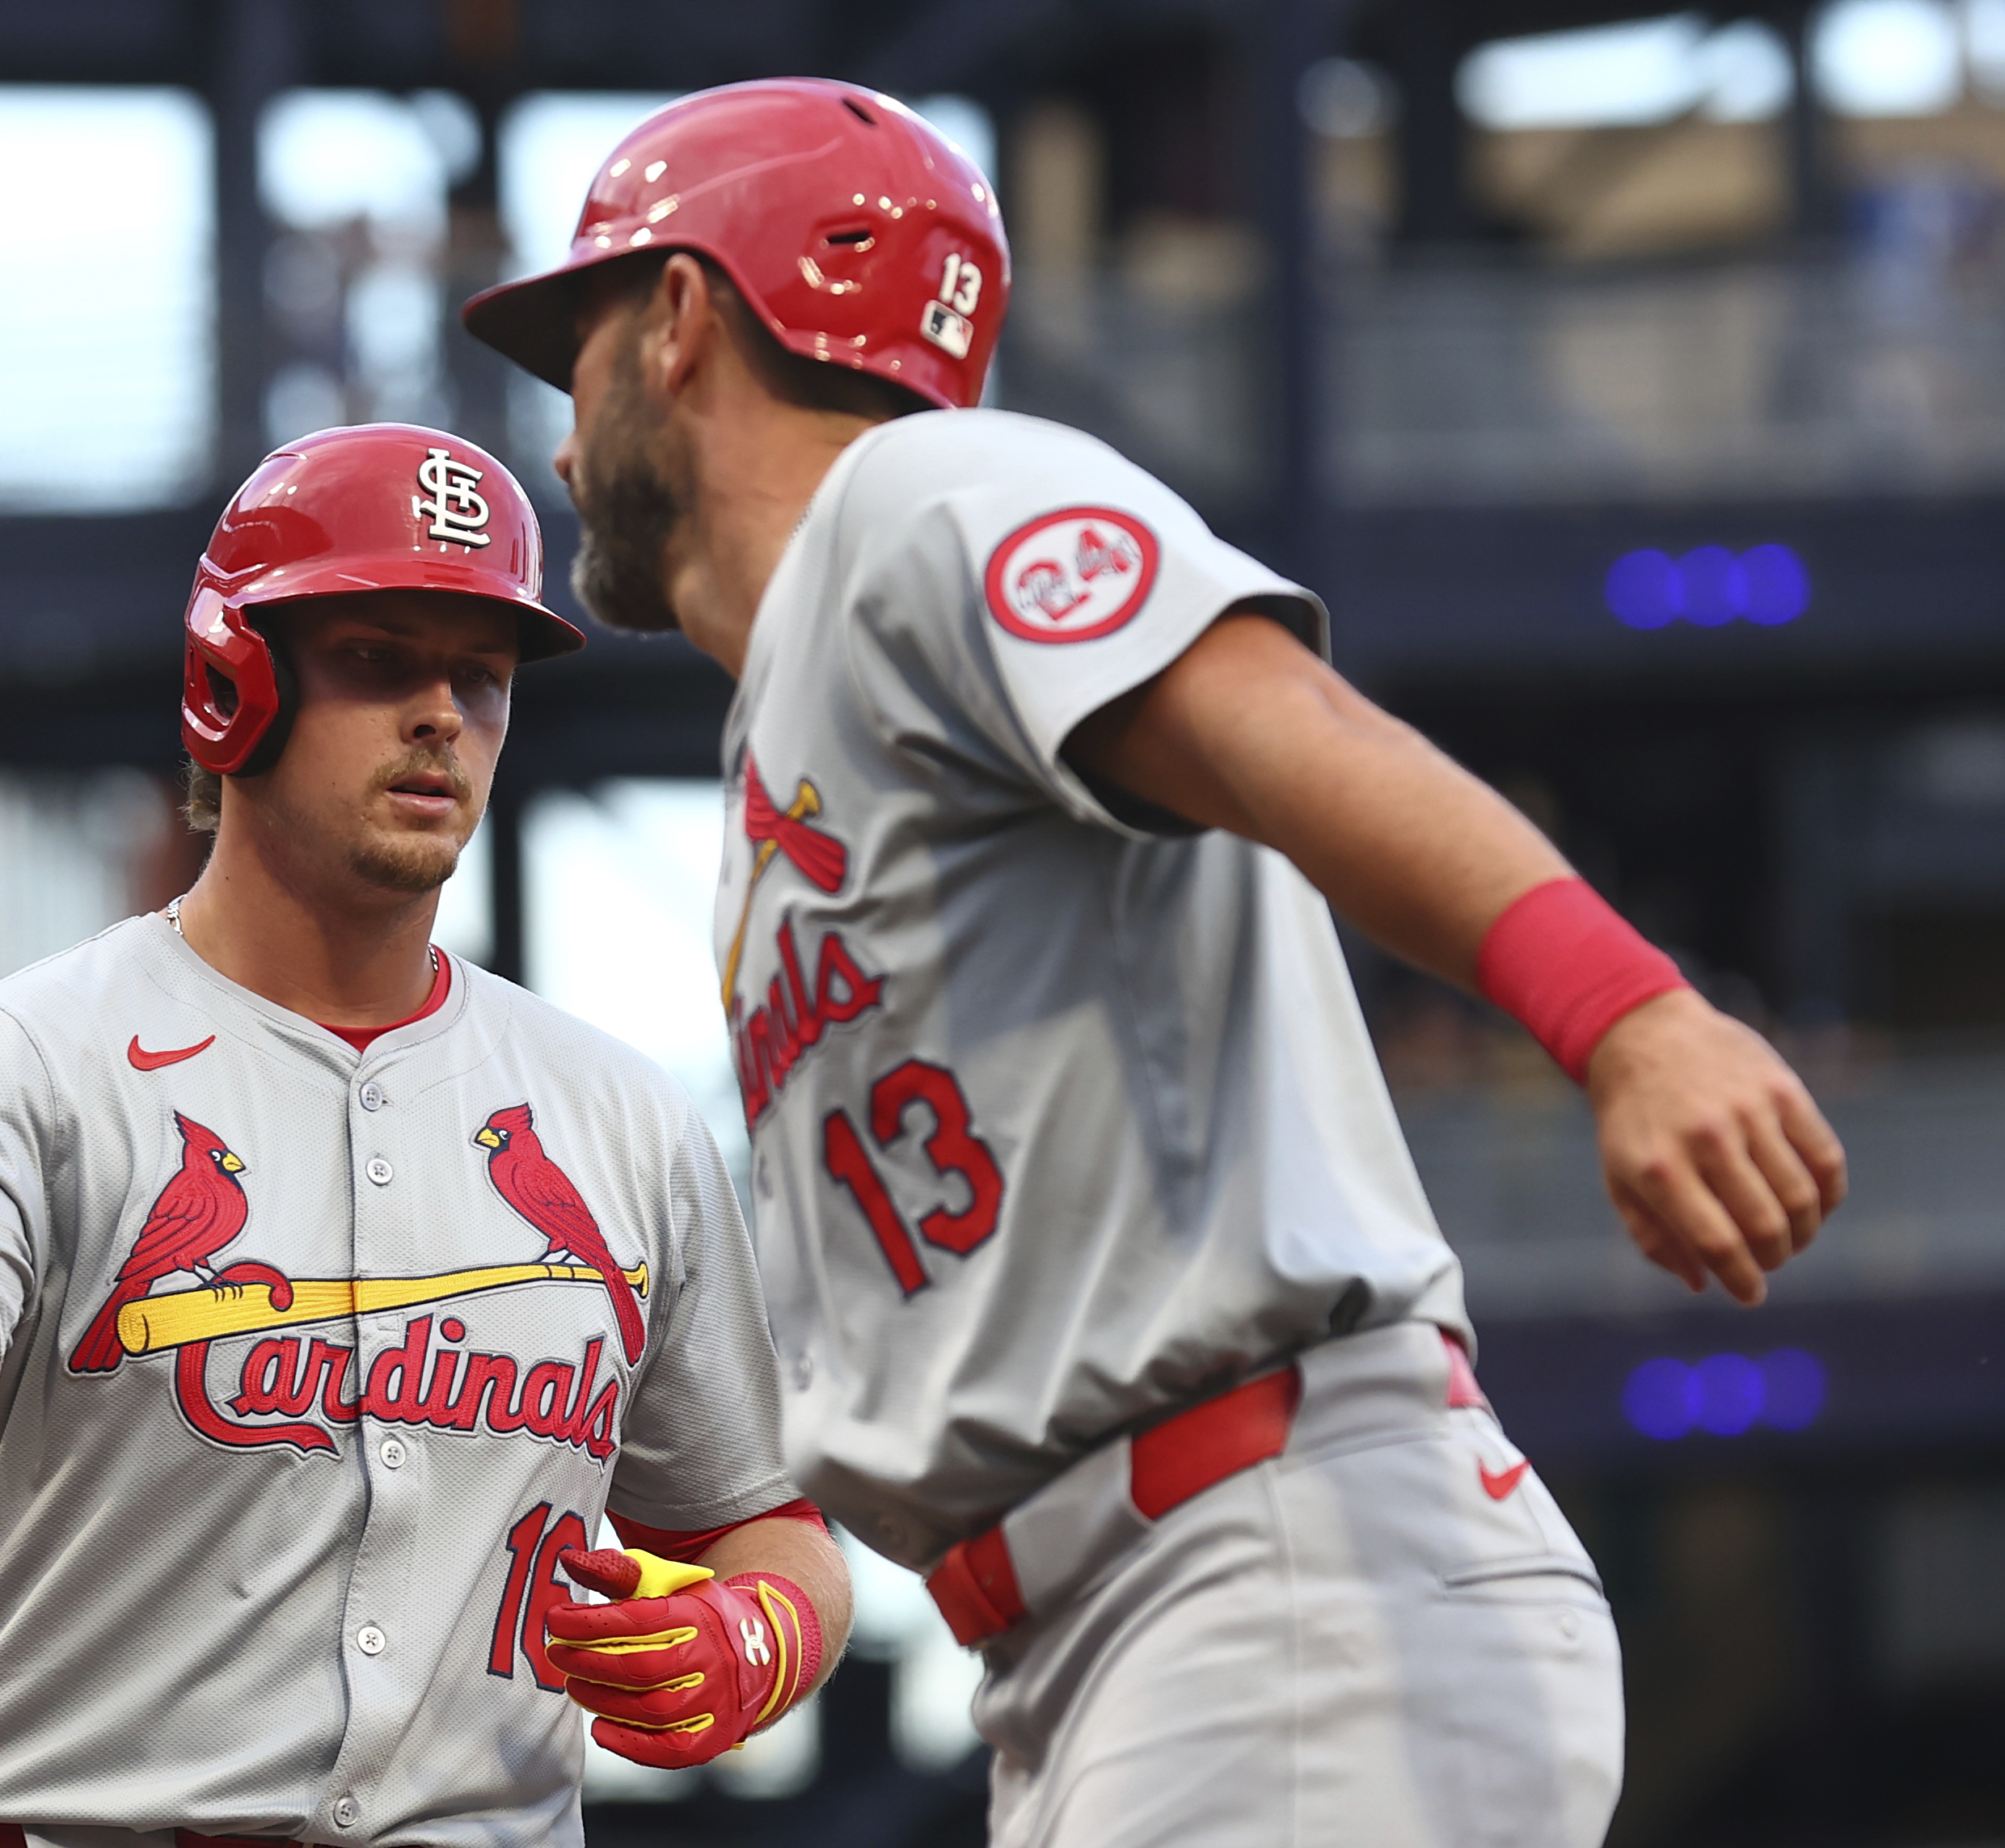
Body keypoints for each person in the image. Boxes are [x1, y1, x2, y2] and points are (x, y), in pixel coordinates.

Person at [463, 80, 1849, 1847]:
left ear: (677, 322)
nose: (559, 434)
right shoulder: (803, 708)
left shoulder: (922, 499)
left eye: (573, 338)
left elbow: (1285, 728)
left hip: (1267, 1576)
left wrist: (1626, 1011)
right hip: (1116, 1643)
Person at [0, 423, 847, 1848]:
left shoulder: (617, 1114)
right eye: (381, 658)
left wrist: (756, 1639)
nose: (442, 712)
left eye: (481, 676)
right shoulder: (23, 1059)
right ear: (231, 683)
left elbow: (765, 1525)